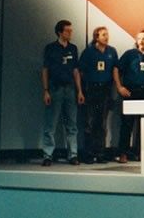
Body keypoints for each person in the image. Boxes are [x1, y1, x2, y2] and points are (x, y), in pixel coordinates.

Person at [41, 20, 84, 166]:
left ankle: (73, 155)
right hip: (55, 88)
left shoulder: (73, 48)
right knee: (51, 124)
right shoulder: (51, 48)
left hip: (70, 89)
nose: (70, 33)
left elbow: (75, 71)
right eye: (68, 31)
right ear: (60, 32)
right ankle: (48, 155)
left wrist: (79, 91)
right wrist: (46, 90)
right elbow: (45, 69)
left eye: (71, 31)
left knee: (72, 124)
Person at [114, 30, 144, 164]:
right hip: (130, 92)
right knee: (127, 124)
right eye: (139, 38)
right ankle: (123, 154)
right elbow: (116, 69)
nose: (141, 41)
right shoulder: (129, 54)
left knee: (143, 124)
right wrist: (119, 87)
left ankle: (140, 153)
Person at [79, 26, 119, 164]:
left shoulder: (112, 52)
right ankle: (88, 154)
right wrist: (83, 88)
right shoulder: (89, 52)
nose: (106, 37)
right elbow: (81, 71)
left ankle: (100, 152)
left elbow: (115, 69)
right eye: (103, 35)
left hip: (105, 90)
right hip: (91, 90)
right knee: (89, 122)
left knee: (102, 124)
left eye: (107, 34)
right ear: (96, 37)